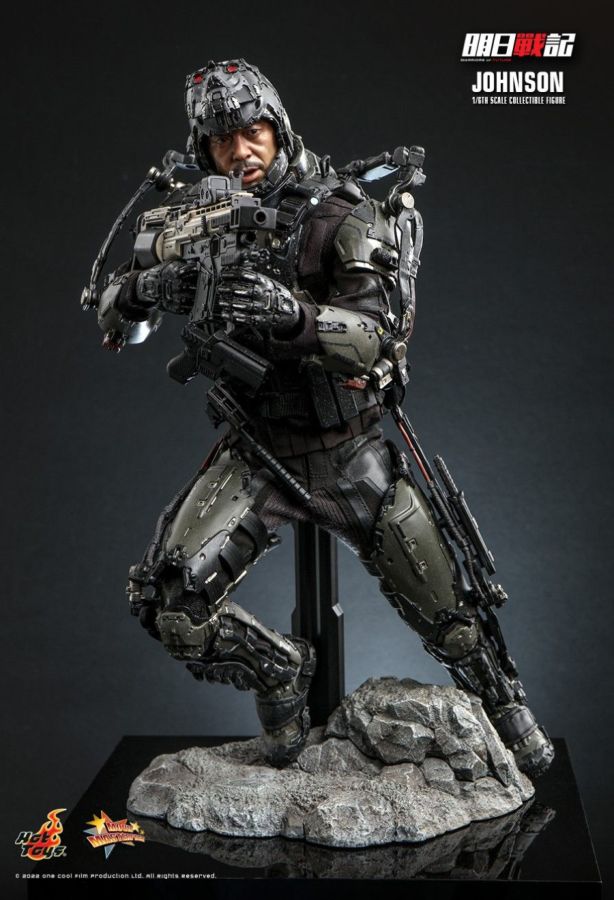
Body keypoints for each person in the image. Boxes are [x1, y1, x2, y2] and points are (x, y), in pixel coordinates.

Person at [93, 58, 553, 775]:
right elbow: (114, 312)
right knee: (171, 606)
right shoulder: (196, 218)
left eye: (252, 132)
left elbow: (376, 338)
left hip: (348, 451)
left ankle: (509, 713)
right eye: (221, 140)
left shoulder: (338, 211)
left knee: (455, 622)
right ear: (202, 149)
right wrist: (151, 287)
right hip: (259, 453)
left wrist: (293, 316)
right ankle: (280, 671)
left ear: (278, 128)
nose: (240, 151)